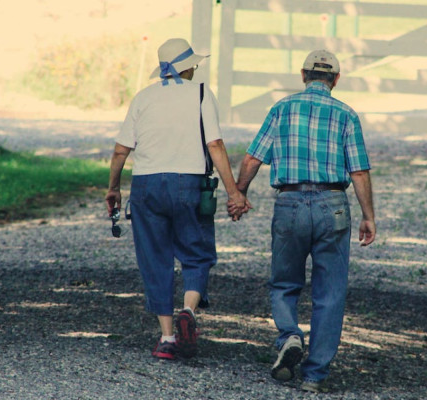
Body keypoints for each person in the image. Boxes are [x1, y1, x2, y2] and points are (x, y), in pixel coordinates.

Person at [234, 50, 376, 392]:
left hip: (290, 202)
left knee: (284, 282)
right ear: (336, 80)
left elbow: (253, 158)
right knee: (331, 292)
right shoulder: (347, 115)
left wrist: (239, 193)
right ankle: (314, 375)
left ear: (303, 75)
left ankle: (289, 336)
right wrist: (369, 216)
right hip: (333, 204)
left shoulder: (281, 109)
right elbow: (358, 170)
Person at [105, 38, 246, 361]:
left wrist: (113, 188)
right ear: (188, 66)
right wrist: (233, 192)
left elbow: (120, 150)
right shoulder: (200, 94)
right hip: (189, 182)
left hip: (147, 185)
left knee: (155, 259)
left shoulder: (143, 98)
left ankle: (167, 337)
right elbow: (215, 145)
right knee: (196, 253)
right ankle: (189, 310)